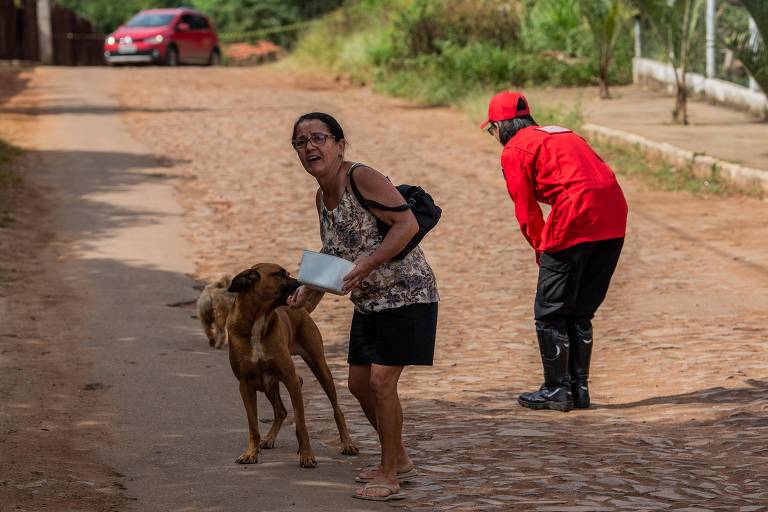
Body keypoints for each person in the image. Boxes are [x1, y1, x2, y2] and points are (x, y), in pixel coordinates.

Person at [286, 112, 439, 501]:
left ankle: (389, 474)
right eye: (301, 142)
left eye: (318, 138)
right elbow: (335, 252)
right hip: (370, 302)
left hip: (407, 295)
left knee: (380, 382)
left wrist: (368, 264)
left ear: (340, 145)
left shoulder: (363, 178)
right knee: (358, 384)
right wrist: (309, 291)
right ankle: (399, 457)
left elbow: (406, 226)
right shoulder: (322, 196)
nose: (310, 147)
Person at [482, 91, 628, 412]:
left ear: (502, 126)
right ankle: (579, 389)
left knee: (549, 310)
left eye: (491, 128)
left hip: (576, 214)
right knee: (580, 310)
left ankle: (556, 389)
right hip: (614, 214)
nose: (492, 135)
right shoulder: (562, 133)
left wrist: (541, 249)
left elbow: (526, 210)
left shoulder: (515, 150)